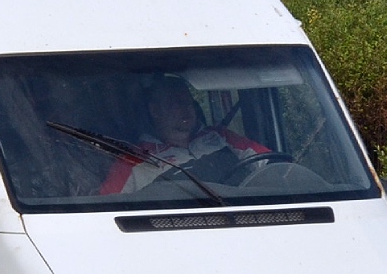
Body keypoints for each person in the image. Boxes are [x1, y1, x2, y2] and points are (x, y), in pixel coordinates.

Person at [98, 75, 269, 194]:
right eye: (176, 103)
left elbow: (270, 163)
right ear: (155, 110)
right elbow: (106, 207)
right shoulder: (133, 160)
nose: (186, 109)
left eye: (188, 102)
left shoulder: (220, 137)